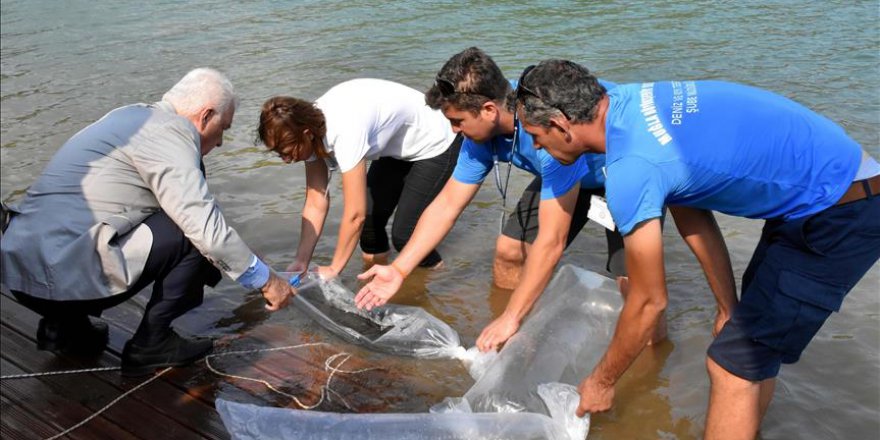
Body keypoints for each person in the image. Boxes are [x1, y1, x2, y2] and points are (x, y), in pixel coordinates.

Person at [514, 59, 880, 439]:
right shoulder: (627, 100)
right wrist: (727, 304)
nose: (538, 147)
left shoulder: (632, 167)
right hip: (820, 192)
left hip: (840, 212)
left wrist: (601, 382)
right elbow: (690, 206)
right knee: (749, 350)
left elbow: (648, 301)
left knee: (731, 364)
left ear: (561, 125)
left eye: (537, 137)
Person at [354, 47, 666, 351]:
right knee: (509, 252)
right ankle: (512, 342)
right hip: (564, 175)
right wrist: (399, 269)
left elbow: (552, 241)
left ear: (489, 110)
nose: (454, 131)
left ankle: (651, 368)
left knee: (636, 288)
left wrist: (511, 316)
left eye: (458, 121)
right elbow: (447, 204)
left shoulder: (544, 124)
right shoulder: (480, 136)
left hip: (620, 173)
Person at [0, 68, 295, 377]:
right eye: (223, 128)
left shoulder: (126, 117)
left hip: (18, 271)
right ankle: (152, 343)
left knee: (93, 221)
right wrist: (268, 281)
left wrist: (244, 257)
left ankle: (63, 329)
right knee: (190, 232)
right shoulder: (172, 131)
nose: (220, 141)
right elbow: (204, 228)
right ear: (205, 116)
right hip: (61, 277)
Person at [257, 79, 462, 280]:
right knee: (371, 224)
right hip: (397, 147)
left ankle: (440, 281)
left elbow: (355, 215)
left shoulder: (345, 130)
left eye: (286, 152)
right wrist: (301, 261)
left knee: (406, 236)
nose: (286, 160)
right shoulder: (305, 130)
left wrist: (334, 268)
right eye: (279, 154)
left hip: (436, 140)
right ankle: (374, 282)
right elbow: (315, 202)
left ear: (306, 134)